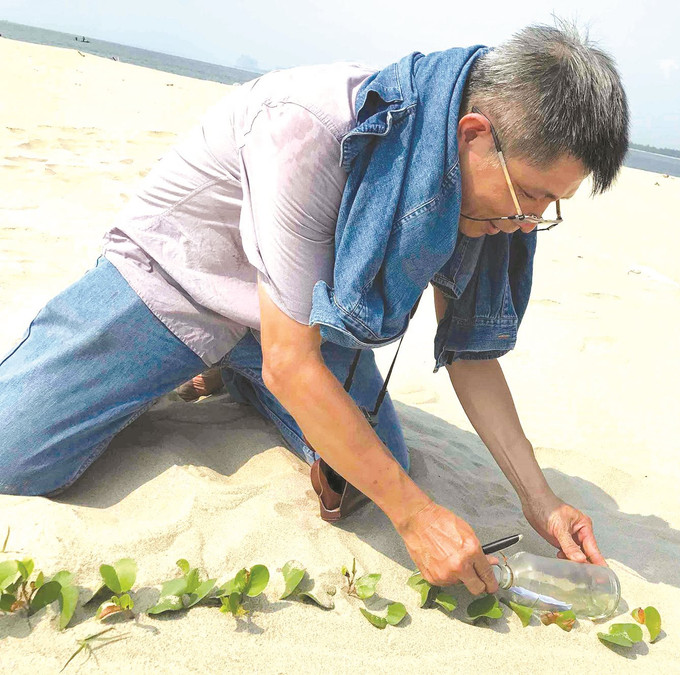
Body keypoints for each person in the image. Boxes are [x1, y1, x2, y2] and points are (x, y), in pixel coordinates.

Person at [0, 21, 629, 597]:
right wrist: (415, 516)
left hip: (299, 318)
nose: (531, 223)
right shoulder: (308, 126)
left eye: (552, 206)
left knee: (366, 476)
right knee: (12, 452)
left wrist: (539, 499)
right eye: (533, 197)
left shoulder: (489, 199)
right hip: (178, 283)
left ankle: (233, 376)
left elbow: (471, 359)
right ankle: (165, 362)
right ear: (473, 136)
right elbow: (290, 365)